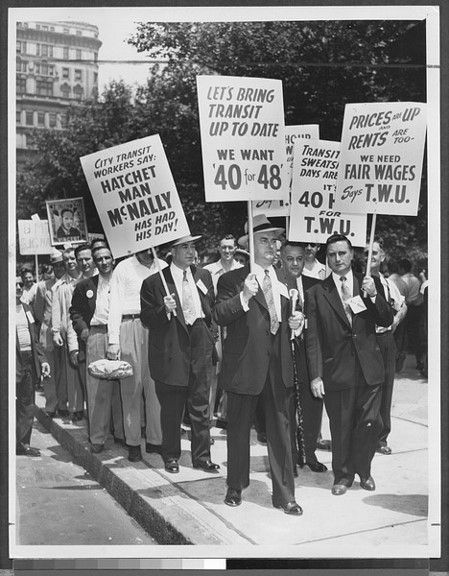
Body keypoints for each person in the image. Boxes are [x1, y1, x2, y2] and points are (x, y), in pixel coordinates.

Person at [214, 214, 304, 515]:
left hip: (278, 367)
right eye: (264, 240)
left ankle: (285, 495)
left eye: (274, 240)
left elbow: (294, 316)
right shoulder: (231, 280)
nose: (272, 246)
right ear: (249, 245)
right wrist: (244, 296)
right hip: (244, 367)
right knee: (239, 430)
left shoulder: (286, 279)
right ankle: (235, 485)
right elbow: (220, 315)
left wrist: (297, 322)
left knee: (281, 431)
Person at [305, 233, 393, 496]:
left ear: (352, 255)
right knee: (341, 426)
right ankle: (342, 475)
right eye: (331, 254)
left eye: (342, 253)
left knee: (369, 424)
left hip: (369, 369)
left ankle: (363, 470)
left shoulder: (369, 283)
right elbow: (313, 339)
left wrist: (374, 295)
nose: (337, 259)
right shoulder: (317, 293)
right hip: (336, 372)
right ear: (326, 257)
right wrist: (316, 375)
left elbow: (386, 318)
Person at [140, 234, 220, 474]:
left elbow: (212, 309)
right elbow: (146, 319)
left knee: (200, 405)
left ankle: (202, 457)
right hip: (172, 348)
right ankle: (171, 455)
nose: (190, 251)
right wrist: (163, 309)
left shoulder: (203, 275)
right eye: (184, 247)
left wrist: (211, 334)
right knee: (172, 408)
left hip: (200, 344)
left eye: (192, 246)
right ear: (172, 252)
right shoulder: (155, 282)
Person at [107, 248, 167, 463]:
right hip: (130, 325)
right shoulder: (123, 267)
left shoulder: (163, 267)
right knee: (131, 389)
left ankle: (155, 440)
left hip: (157, 328)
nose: (150, 250)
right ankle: (133, 443)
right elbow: (114, 305)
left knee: (157, 387)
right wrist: (113, 340)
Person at [70, 245, 124, 453]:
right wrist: (83, 330)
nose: (104, 262)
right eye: (99, 259)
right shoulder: (86, 285)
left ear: (113, 259)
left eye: (107, 258)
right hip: (96, 335)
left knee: (122, 385)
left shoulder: (121, 281)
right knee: (97, 388)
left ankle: (121, 433)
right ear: (94, 261)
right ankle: (98, 438)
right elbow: (75, 312)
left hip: (119, 334)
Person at [279, 240, 327, 473]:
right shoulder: (275, 283)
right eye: (290, 258)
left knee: (312, 404)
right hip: (282, 353)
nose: (296, 263)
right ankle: (290, 456)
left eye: (299, 258)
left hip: (308, 352)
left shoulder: (315, 285)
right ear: (281, 258)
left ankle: (309, 453)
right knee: (285, 407)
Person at [366, 239, 407, 455]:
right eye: (365, 253)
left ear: (382, 256)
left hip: (385, 340)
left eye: (374, 252)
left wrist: (397, 319)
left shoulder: (389, 283)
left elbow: (403, 305)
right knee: (366, 390)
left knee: (386, 388)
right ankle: (364, 435)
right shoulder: (357, 282)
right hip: (366, 340)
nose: (369, 256)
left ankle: (381, 438)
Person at [204, 235, 243, 424]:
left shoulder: (243, 271)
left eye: (230, 247)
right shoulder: (208, 271)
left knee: (234, 369)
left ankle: (229, 416)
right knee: (213, 373)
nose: (227, 251)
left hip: (236, 324)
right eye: (223, 247)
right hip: (215, 325)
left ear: (236, 248)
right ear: (218, 249)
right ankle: (208, 419)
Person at [16, 277, 51, 456]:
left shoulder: (27, 309)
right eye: (13, 284)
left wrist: (42, 360)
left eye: (20, 285)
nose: (17, 287)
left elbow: (35, 339)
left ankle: (23, 444)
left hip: (29, 359)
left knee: (27, 403)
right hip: (12, 360)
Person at [52, 246, 85, 421]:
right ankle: (77, 407)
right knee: (73, 368)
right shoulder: (60, 286)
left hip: (88, 327)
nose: (71, 262)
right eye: (67, 260)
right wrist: (56, 331)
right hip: (70, 330)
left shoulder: (89, 277)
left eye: (73, 258)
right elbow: (57, 310)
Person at [33, 249, 66, 418]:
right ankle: (51, 404)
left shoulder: (68, 283)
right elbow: (38, 311)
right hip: (47, 331)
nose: (59, 269)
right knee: (49, 368)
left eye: (62, 265)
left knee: (64, 369)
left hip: (65, 331)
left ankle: (63, 403)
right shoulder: (42, 286)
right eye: (56, 266)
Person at [399, 258, 424, 372]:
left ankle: (399, 362)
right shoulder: (416, 280)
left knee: (402, 335)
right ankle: (419, 361)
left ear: (402, 268)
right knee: (415, 335)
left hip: (405, 307)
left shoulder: (401, 280)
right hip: (416, 309)